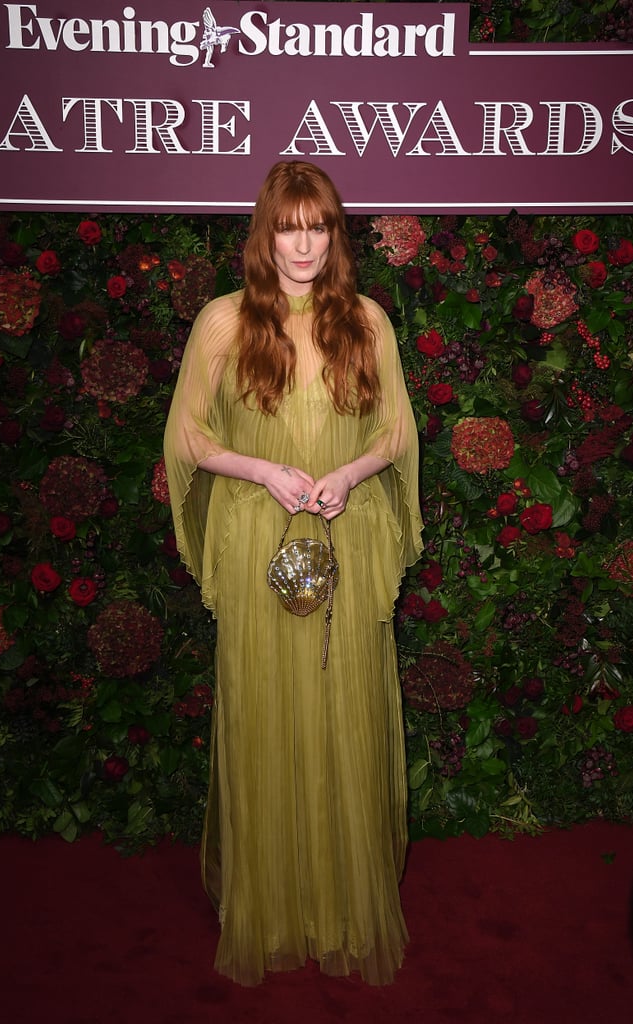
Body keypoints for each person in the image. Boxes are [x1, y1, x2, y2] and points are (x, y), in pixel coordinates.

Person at [163, 161, 424, 987]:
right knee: (266, 711)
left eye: (317, 228)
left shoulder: (367, 321)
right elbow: (188, 436)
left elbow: (395, 433)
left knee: (342, 711)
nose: (303, 244)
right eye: (288, 226)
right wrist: (258, 469)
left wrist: (348, 476)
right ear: (263, 234)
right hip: (254, 542)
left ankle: (342, 904)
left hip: (347, 537)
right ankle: (272, 905)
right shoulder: (222, 322)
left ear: (334, 236)